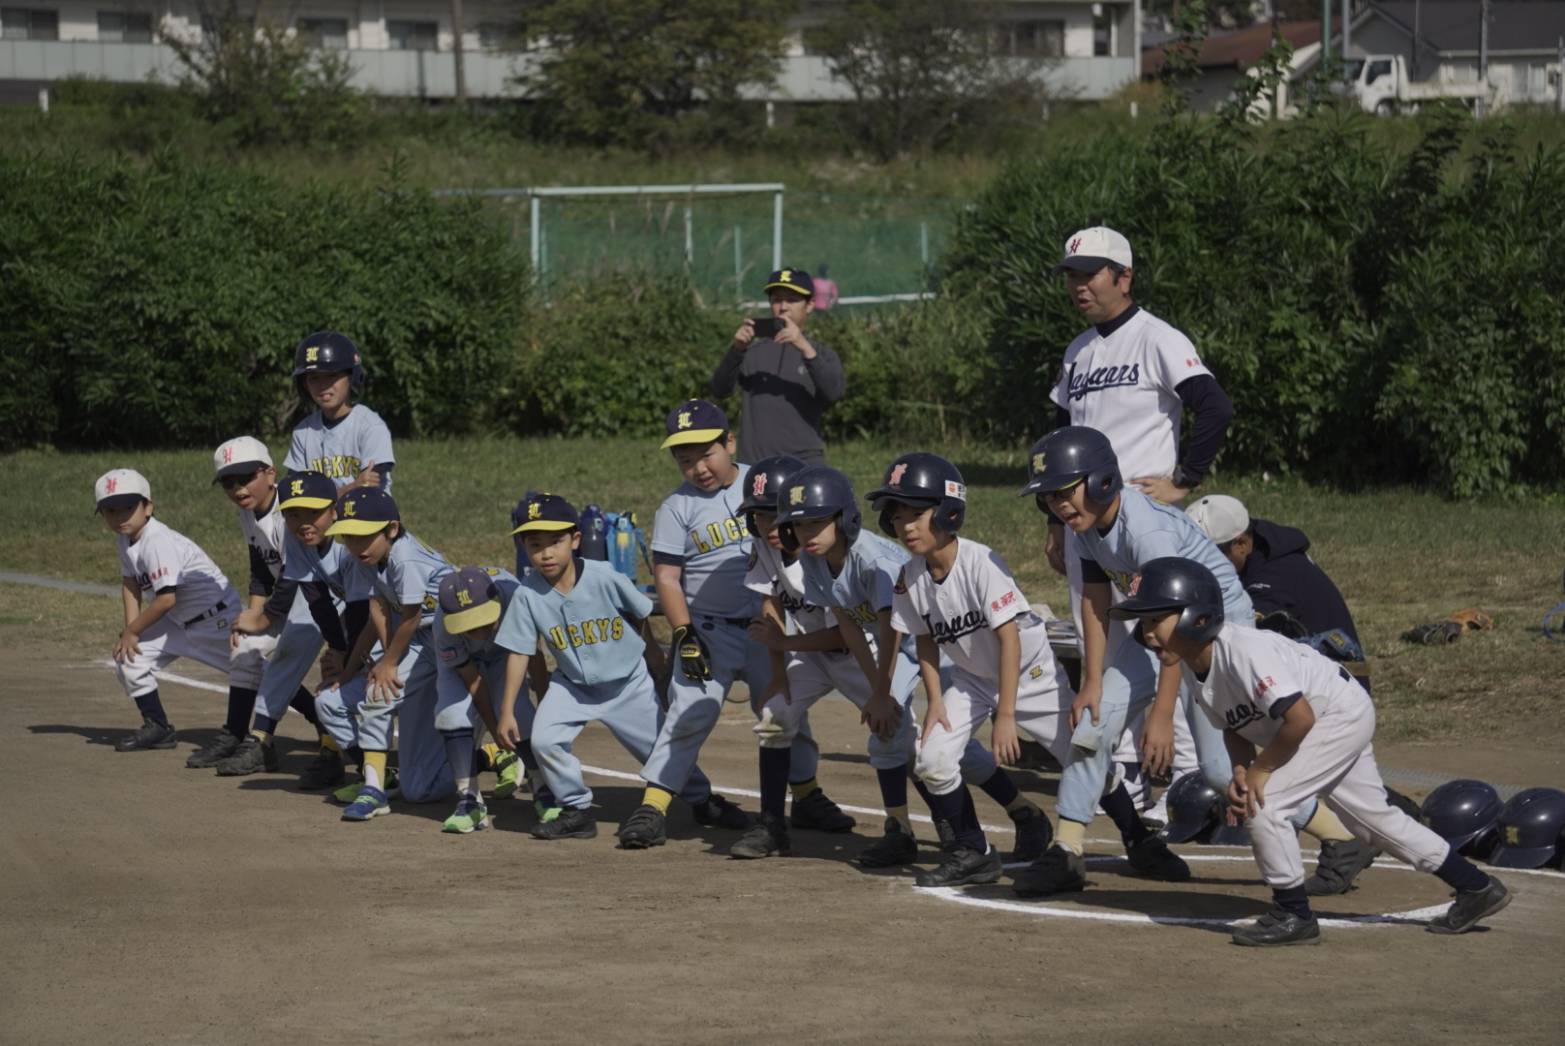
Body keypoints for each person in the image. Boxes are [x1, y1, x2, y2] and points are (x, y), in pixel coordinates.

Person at [1109, 557, 1512, 946]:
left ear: (1196, 617)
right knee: (1372, 821)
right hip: (1325, 719)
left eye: (1155, 620)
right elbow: (1234, 725)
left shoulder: (1244, 651)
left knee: (1267, 804)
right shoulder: (1197, 667)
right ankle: (1476, 887)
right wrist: (1239, 769)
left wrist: (1260, 771)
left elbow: (1300, 719)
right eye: (1143, 622)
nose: (1146, 633)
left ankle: (1294, 914)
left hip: (1333, 715)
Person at [752, 462, 1044, 870]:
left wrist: (882, 692)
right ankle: (934, 824)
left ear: (843, 518)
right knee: (911, 741)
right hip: (886, 650)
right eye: (799, 526)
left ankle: (941, 826)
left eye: (818, 522)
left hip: (920, 649)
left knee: (903, 738)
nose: (808, 534)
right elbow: (851, 625)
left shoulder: (871, 560)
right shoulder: (817, 559)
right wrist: (877, 690)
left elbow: (896, 631)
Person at [621, 399, 851, 849]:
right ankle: (654, 804)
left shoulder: (765, 483)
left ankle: (805, 794)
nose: (699, 468)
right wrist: (683, 632)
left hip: (771, 625)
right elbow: (667, 577)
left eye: (707, 454)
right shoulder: (677, 508)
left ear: (729, 442)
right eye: (685, 460)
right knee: (689, 712)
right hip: (707, 630)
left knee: (785, 710)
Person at [872, 453, 1070, 887]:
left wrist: (1007, 716)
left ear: (948, 512)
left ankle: (1137, 837)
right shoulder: (910, 576)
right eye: (897, 516)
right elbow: (921, 636)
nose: (905, 526)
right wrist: (935, 701)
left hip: (1030, 674)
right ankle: (973, 851)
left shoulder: (981, 562)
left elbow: (1010, 638)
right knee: (933, 759)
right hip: (973, 681)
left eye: (917, 514)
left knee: (1083, 760)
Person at [494, 493, 730, 841]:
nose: (546, 553)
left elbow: (639, 613)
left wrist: (654, 657)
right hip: (572, 686)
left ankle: (703, 800)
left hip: (627, 685)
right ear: (523, 546)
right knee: (544, 740)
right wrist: (507, 710)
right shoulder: (527, 594)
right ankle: (577, 810)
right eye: (535, 543)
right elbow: (518, 651)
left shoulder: (603, 575)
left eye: (555, 541)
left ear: (575, 540)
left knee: (661, 751)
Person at [95, 468, 265, 754]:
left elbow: (165, 600)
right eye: (110, 510)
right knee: (129, 657)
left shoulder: (157, 541)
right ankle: (158, 727)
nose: (120, 516)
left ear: (148, 507)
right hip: (178, 623)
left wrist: (133, 630)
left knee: (263, 677)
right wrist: (131, 632)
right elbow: (130, 584)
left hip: (216, 620)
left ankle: (320, 720)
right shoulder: (126, 540)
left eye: (128, 507)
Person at [315, 488, 455, 823]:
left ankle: (374, 791)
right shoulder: (368, 557)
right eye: (349, 536)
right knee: (419, 791)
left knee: (378, 694)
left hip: (446, 640)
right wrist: (351, 671)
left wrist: (388, 662)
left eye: (365, 535)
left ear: (391, 529)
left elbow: (409, 617)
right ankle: (381, 778)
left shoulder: (405, 557)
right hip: (415, 640)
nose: (356, 544)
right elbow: (377, 608)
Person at [199, 439, 331, 778]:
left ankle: (268, 738)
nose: (238, 488)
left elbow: (291, 574)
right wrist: (251, 616)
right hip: (287, 601)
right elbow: (261, 568)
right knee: (246, 648)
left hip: (316, 598)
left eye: (245, 477)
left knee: (276, 659)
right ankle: (237, 733)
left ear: (271, 474)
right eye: (229, 482)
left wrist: (264, 618)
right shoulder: (249, 513)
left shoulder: (287, 512)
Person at [227, 470, 364, 784]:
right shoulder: (299, 535)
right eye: (292, 513)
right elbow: (317, 598)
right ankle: (330, 751)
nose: (303, 521)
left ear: (334, 509)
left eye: (313, 512)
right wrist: (339, 649)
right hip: (347, 604)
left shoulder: (352, 538)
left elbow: (368, 606)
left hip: (388, 611)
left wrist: (350, 655)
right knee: (320, 660)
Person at [1185, 493, 1365, 654]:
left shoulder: (1275, 578)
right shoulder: (1258, 541)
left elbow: (1240, 637)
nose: (1203, 567)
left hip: (1330, 683)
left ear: (1242, 544)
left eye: (1209, 558)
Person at [710, 268, 845, 465]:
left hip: (803, 464)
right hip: (754, 466)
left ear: (809, 305)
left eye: (791, 300)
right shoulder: (751, 352)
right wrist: (736, 349)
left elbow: (834, 392)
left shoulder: (820, 353)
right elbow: (719, 390)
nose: (783, 307)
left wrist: (804, 347)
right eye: (776, 300)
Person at [429, 566, 528, 834]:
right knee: (451, 715)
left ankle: (544, 789)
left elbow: (536, 657)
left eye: (483, 619)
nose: (478, 629)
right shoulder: (444, 625)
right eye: (468, 624)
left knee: (521, 713)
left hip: (504, 655)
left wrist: (542, 706)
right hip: (466, 665)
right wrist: (495, 728)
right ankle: (469, 799)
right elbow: (471, 679)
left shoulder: (516, 597)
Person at [284, 331, 396, 494]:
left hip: (368, 516)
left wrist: (320, 499)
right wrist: (352, 486)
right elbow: (297, 492)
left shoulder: (370, 426)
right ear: (304, 384)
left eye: (331, 375)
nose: (323, 385)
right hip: (321, 518)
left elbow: (367, 491)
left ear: (351, 376)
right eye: (314, 378)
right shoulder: (302, 432)